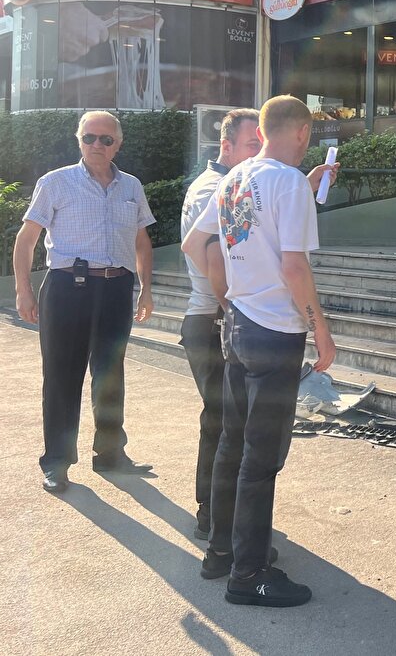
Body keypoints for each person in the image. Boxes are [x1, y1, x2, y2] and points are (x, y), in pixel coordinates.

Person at [182, 95, 337, 607]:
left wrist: (230, 293)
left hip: (239, 327)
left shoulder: (236, 177)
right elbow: (293, 265)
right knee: (261, 458)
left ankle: (221, 552)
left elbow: (193, 244)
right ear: (303, 132)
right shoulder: (287, 182)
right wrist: (320, 329)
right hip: (275, 333)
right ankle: (249, 575)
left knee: (232, 444)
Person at [14, 111, 156, 494]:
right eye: (89, 137)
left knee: (110, 376)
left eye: (106, 139)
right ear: (79, 140)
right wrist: (24, 289)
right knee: (62, 377)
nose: (97, 145)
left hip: (116, 289)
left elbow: (141, 241)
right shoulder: (55, 182)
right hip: (67, 289)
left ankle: (110, 454)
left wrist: (146, 287)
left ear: (118, 145)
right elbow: (26, 239)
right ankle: (57, 463)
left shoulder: (131, 187)